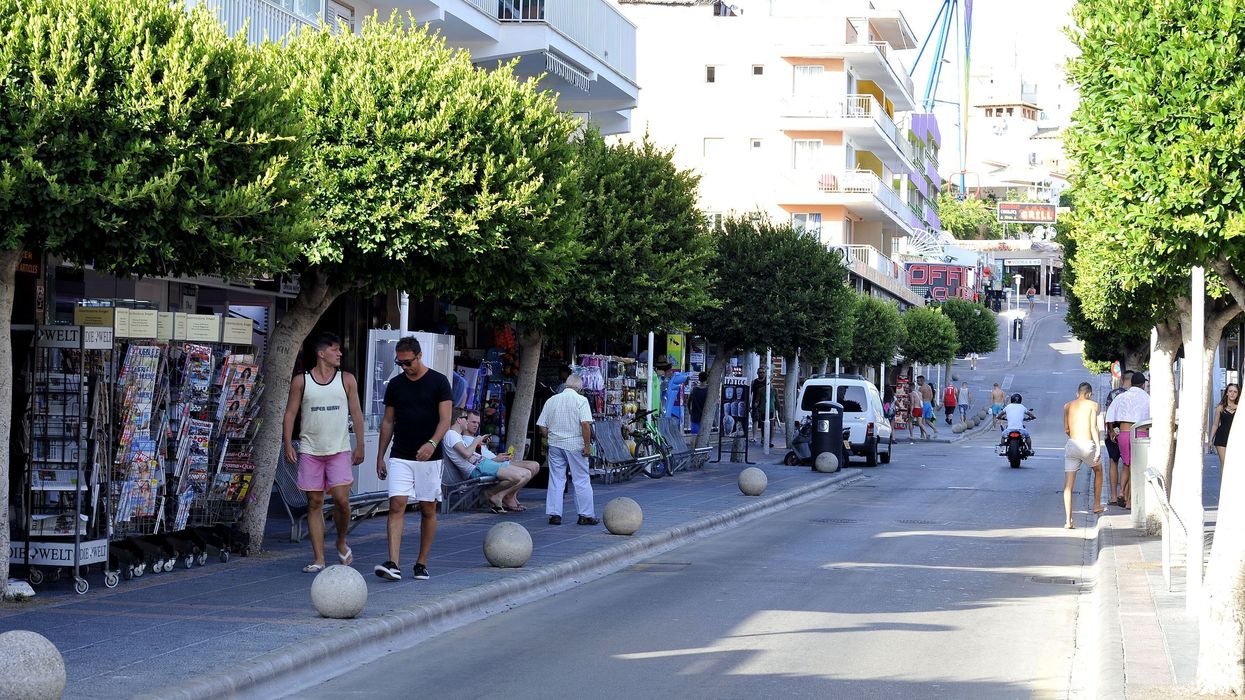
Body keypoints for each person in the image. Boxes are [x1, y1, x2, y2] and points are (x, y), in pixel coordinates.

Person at [283, 332, 365, 574]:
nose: (340, 353)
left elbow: (357, 414)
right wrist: (288, 443)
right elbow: (290, 414)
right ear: (321, 353)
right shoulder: (302, 381)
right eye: (335, 349)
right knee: (315, 502)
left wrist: (360, 444)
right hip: (310, 450)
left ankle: (341, 540)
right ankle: (319, 558)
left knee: (341, 500)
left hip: (339, 449)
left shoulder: (347, 379)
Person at [374, 336, 452, 582]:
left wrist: (432, 443)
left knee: (427, 507)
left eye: (408, 362)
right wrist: (380, 456)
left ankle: (421, 562)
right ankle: (393, 562)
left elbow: (445, 420)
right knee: (396, 504)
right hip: (401, 453)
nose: (404, 367)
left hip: (430, 457)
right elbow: (388, 422)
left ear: (419, 356)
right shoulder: (396, 385)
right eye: (400, 363)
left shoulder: (439, 381)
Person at [444, 409, 539, 512]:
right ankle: (490, 493)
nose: (467, 421)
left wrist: (479, 442)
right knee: (517, 476)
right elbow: (466, 454)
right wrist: (477, 441)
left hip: (483, 463)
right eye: (466, 418)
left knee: (527, 474)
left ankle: (498, 495)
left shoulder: (456, 435)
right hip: (478, 467)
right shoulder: (451, 434)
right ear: (458, 420)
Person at [537, 373, 598, 526]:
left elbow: (542, 426)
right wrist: (587, 446)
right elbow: (585, 425)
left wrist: (550, 436)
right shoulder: (581, 400)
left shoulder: (552, 400)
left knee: (556, 479)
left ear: (565, 385)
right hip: (575, 445)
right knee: (581, 479)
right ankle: (585, 515)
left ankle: (554, 514)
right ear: (580, 388)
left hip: (556, 444)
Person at [1103, 371, 1151, 510]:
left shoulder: (1122, 397)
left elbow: (1110, 414)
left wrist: (1111, 430)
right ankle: (1129, 501)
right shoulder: (1147, 398)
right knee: (1136, 467)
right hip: (1140, 433)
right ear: (1143, 384)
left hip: (1123, 433)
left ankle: (1122, 492)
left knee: (1126, 465)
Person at [1062, 382, 1104, 528]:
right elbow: (1094, 427)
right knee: (1098, 471)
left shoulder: (1067, 406)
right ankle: (1097, 505)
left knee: (1068, 485)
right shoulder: (1093, 405)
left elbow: (1066, 429)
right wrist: (1098, 448)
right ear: (1089, 394)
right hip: (1086, 444)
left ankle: (1068, 520)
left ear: (1077, 393)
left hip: (1072, 444)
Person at [1102, 376, 1130, 508]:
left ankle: (1113, 496)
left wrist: (1109, 430)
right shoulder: (1133, 395)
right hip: (1128, 432)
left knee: (1113, 462)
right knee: (1127, 464)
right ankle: (1125, 495)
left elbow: (1108, 413)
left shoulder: (1113, 394)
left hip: (1113, 431)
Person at [1210, 383, 1239, 469]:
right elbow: (1215, 424)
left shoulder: (1240, 408)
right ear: (1226, 393)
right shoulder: (1220, 407)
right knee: (1225, 464)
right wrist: (1211, 439)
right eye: (1230, 391)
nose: (1232, 393)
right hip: (1221, 438)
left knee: (1234, 464)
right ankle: (1223, 483)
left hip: (1236, 438)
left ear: (1238, 394)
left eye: (1235, 392)